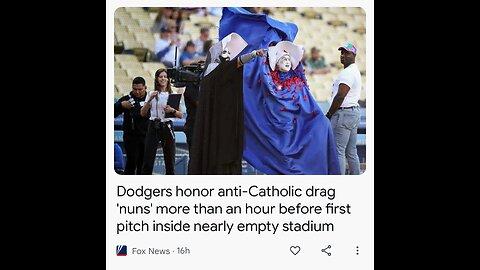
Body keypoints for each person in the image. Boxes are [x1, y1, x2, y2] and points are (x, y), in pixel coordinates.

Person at [218, 7, 340, 174]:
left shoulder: (297, 85)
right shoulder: (261, 74)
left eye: (288, 57)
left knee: (322, 125)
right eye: (281, 57)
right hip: (274, 134)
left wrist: (321, 121)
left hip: (292, 135)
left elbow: (311, 110)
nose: (287, 60)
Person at [188, 32, 266, 175]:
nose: (229, 55)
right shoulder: (217, 70)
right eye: (225, 52)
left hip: (223, 118)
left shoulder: (209, 73)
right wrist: (254, 54)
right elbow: (238, 62)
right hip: (221, 121)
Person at [325, 42, 362, 175]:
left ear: (354, 55)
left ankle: (338, 184)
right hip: (352, 113)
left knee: (338, 151)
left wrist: (329, 114)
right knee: (351, 151)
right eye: (342, 53)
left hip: (343, 113)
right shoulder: (354, 71)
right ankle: (355, 179)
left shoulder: (348, 73)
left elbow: (340, 96)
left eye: (347, 53)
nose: (343, 55)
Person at [140, 69, 183, 175]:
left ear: (168, 79)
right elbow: (142, 113)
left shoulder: (172, 94)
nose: (163, 79)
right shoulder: (151, 93)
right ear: (157, 79)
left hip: (167, 125)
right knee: (148, 159)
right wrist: (150, 100)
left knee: (169, 159)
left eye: (165, 76)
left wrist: (171, 110)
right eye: (160, 76)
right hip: (153, 124)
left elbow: (180, 114)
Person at [114, 77, 149, 175]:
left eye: (140, 89)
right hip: (131, 137)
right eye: (135, 89)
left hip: (146, 137)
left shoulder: (150, 100)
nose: (137, 92)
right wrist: (121, 105)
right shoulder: (126, 99)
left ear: (145, 88)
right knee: (131, 164)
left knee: (144, 166)